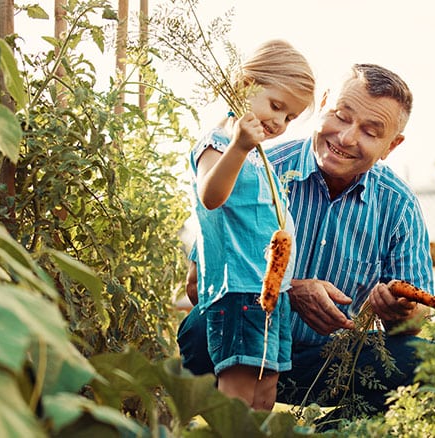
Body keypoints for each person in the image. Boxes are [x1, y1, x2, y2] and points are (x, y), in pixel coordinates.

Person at [179, 63, 433, 413]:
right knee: (199, 326)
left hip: (330, 366)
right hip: (248, 344)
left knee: (423, 359)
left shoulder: (399, 205)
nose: (346, 138)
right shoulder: (256, 168)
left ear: (391, 145)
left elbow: (416, 320)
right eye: (341, 116)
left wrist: (400, 309)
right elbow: (196, 287)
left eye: (371, 132)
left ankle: (332, 434)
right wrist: (288, 290)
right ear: (325, 103)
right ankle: (229, 422)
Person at [184, 39, 315, 410]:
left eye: (290, 117)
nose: (280, 122)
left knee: (265, 389)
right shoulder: (220, 143)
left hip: (272, 292)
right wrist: (239, 146)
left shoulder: (261, 158)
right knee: (239, 388)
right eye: (276, 106)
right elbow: (211, 197)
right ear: (245, 85)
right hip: (240, 288)